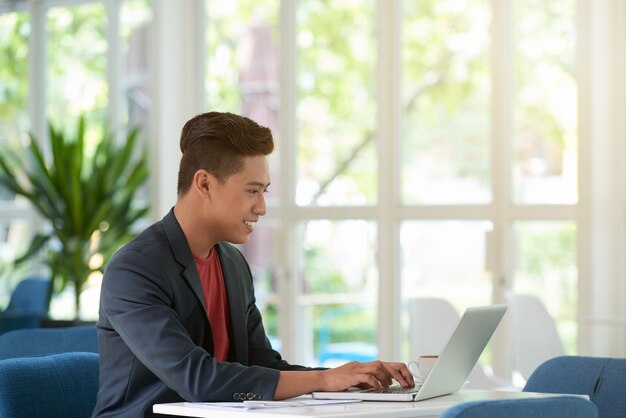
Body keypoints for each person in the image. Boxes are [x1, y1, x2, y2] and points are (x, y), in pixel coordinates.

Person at [92, 111, 414, 417]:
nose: (261, 208)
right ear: (204, 184)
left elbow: (264, 366)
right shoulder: (134, 269)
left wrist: (348, 377)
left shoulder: (232, 264)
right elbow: (198, 379)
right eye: (252, 191)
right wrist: (323, 381)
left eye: (264, 192)